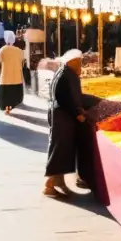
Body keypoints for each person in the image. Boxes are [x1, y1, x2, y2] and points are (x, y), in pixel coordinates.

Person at [44, 49, 96, 197]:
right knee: (59, 150)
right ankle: (49, 185)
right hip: (62, 117)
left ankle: (60, 182)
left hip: (61, 116)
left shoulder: (65, 72)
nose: (81, 65)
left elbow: (74, 96)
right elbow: (65, 99)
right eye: (79, 62)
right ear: (72, 62)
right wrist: (77, 113)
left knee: (64, 151)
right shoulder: (67, 75)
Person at [0, 31, 25, 114]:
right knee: (13, 95)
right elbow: (22, 63)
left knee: (5, 95)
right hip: (17, 78)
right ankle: (11, 106)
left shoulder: (1, 50)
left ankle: (7, 108)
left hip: (4, 78)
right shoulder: (19, 51)